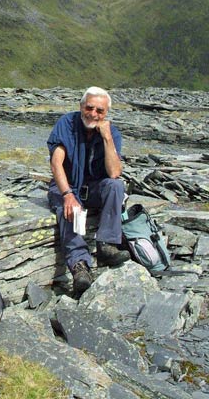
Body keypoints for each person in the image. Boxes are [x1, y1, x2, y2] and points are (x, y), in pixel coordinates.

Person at [47, 86, 130, 297]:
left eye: (100, 111)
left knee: (116, 186)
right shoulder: (67, 123)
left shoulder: (112, 133)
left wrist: (107, 138)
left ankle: (106, 244)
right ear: (81, 106)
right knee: (71, 209)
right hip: (65, 185)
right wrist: (67, 195)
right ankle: (80, 267)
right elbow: (56, 163)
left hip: (93, 187)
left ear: (106, 113)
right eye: (89, 107)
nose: (93, 114)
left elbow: (114, 173)